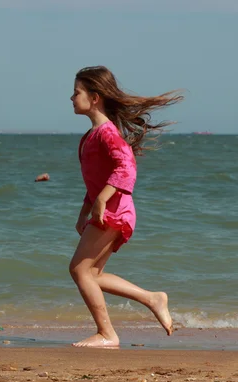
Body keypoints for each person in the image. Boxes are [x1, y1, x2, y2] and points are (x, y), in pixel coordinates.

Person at [69, 66, 184, 348]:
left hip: (115, 210)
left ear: (94, 97)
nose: (71, 98)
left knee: (79, 271)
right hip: (112, 208)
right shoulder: (90, 136)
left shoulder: (107, 133)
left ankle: (107, 333)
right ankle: (152, 298)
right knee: (93, 275)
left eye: (76, 92)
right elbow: (96, 181)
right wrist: (85, 210)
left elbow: (127, 168)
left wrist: (101, 200)